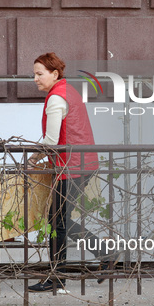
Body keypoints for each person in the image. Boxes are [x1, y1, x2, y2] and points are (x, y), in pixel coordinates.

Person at [27, 52, 105, 292]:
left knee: (57, 222)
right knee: (60, 220)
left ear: (54, 74)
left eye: (40, 74)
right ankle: (106, 253)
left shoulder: (56, 98)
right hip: (82, 164)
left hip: (70, 167)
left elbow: (51, 140)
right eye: (34, 74)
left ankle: (56, 277)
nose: (36, 79)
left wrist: (34, 158)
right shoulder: (68, 91)